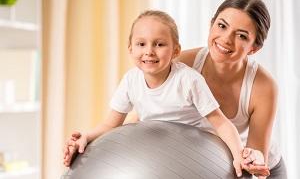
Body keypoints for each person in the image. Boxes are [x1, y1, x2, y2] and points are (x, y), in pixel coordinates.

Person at [62, 10, 259, 177]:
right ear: (130, 49)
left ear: (175, 51)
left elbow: (221, 122)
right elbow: (110, 124)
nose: (149, 51)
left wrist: (238, 155)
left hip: (195, 153)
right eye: (141, 44)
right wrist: (86, 136)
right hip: (154, 151)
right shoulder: (131, 80)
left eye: (159, 44)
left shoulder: (188, 80)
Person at [177, 0, 287, 178]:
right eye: (222, 26)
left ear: (254, 48)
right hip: (203, 163)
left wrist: (253, 161)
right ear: (211, 24)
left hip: (255, 169)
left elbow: (255, 160)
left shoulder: (264, 87)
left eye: (241, 35)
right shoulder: (182, 65)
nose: (226, 39)